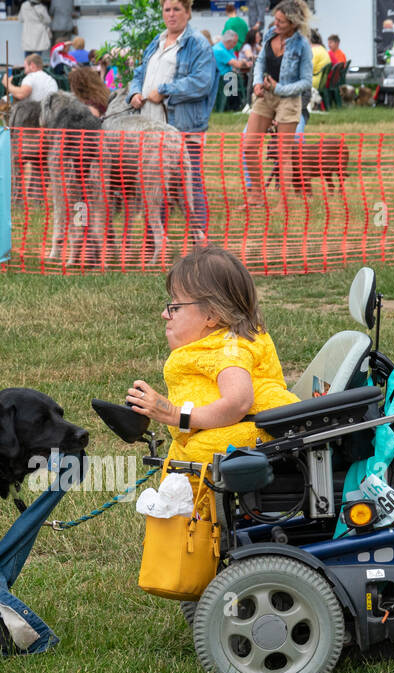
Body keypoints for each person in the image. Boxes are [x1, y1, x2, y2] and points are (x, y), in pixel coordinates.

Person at [125, 246, 297, 465]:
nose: (165, 314)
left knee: (195, 456)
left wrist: (175, 414)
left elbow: (238, 402)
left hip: (254, 439)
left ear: (212, 315)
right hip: (228, 434)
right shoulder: (220, 344)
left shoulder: (230, 349)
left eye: (175, 307)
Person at [127, 0, 217, 241]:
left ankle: (200, 241)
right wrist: (134, 93)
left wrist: (165, 89)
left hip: (184, 127)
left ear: (187, 13)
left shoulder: (198, 44)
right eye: (167, 9)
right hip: (151, 127)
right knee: (153, 186)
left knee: (191, 185)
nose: (171, 14)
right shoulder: (156, 41)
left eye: (177, 9)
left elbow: (202, 82)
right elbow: (139, 73)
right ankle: (153, 241)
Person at [242, 0, 312, 210]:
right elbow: (260, 61)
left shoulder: (302, 45)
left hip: (288, 99)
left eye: (281, 21)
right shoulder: (270, 34)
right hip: (265, 95)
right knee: (249, 146)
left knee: (283, 152)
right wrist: (256, 83)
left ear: (293, 23)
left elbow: (306, 81)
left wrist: (280, 88)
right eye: (276, 19)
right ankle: (256, 196)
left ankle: (283, 204)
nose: (276, 23)